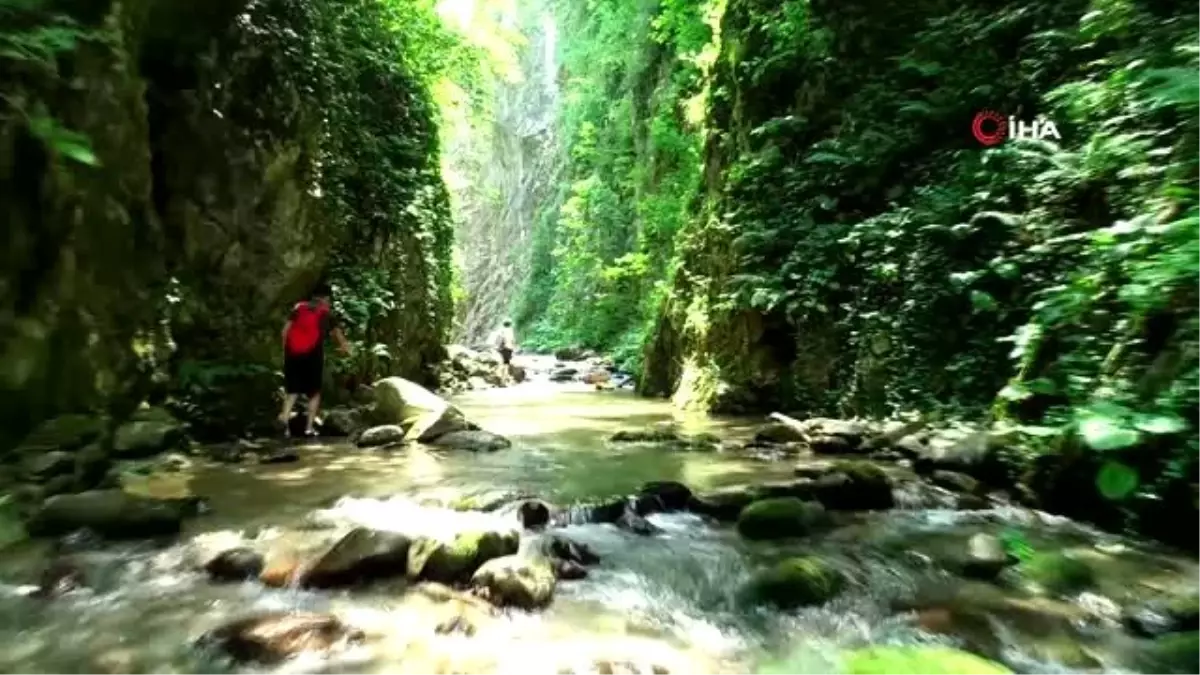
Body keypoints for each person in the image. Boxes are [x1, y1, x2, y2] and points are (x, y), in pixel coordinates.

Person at [279, 283, 350, 437]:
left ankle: (284, 421)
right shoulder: (326, 313)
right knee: (314, 392)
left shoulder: (298, 308)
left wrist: (285, 351)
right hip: (313, 355)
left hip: (292, 354)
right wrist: (344, 349)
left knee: (292, 390)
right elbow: (339, 338)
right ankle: (309, 428)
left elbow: (285, 331)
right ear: (325, 298)